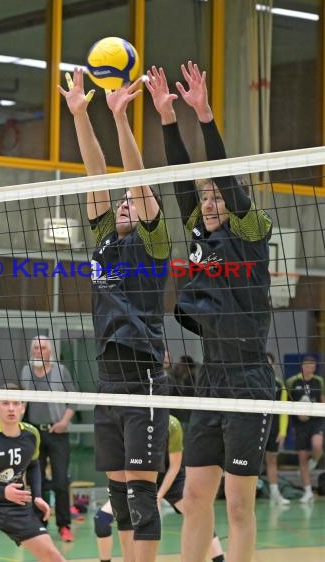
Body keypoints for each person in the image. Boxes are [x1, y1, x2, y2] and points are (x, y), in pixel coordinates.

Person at [146, 62, 275, 562]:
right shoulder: (201, 230)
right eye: (205, 195)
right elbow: (184, 180)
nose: (209, 197)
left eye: (217, 193)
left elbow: (221, 174)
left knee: (239, 506)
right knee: (195, 496)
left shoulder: (249, 231)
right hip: (210, 379)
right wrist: (165, 118)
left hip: (248, 379)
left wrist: (204, 116)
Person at [59, 68, 171, 562]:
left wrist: (121, 119)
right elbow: (96, 175)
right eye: (120, 203)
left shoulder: (153, 242)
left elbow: (135, 178)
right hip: (106, 378)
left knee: (143, 496)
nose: (124, 204)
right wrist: (82, 116)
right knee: (120, 498)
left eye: (131, 202)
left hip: (143, 373)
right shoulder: (105, 238)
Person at [94, 415, 225, 562]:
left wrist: (158, 496)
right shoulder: (130, 420)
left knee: (197, 513)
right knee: (101, 520)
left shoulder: (172, 424)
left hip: (171, 479)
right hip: (140, 479)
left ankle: (220, 559)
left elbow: (175, 466)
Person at [0, 387, 65, 562]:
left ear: (23, 407)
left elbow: (33, 466)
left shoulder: (31, 434)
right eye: (5, 403)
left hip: (16, 504)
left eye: (16, 403)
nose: (11, 408)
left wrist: (37, 497)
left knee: (53, 556)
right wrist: (3, 492)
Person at [20, 335, 77, 542]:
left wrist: (64, 422)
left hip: (57, 434)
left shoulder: (60, 371)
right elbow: (22, 401)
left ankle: (64, 525)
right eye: (36, 348)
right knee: (38, 483)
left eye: (42, 348)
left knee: (61, 481)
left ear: (49, 351)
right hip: (34, 433)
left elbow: (74, 399)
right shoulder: (26, 370)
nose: (39, 351)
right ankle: (40, 524)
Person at [286, 354, 325, 503]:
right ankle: (308, 492)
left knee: (317, 445)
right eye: (309, 365)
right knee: (302, 457)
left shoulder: (318, 381)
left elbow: (322, 400)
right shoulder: (292, 381)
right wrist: (298, 414)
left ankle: (314, 461)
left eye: (314, 366)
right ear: (302, 366)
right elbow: (287, 402)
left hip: (316, 420)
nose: (311, 368)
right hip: (299, 423)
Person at [264, 352, 290, 505]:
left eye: (269, 363)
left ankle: (275, 493)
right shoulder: (253, 382)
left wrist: (283, 431)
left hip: (273, 429)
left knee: (272, 460)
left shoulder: (279, 385)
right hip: (255, 429)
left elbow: (284, 411)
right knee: (252, 463)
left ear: (273, 364)